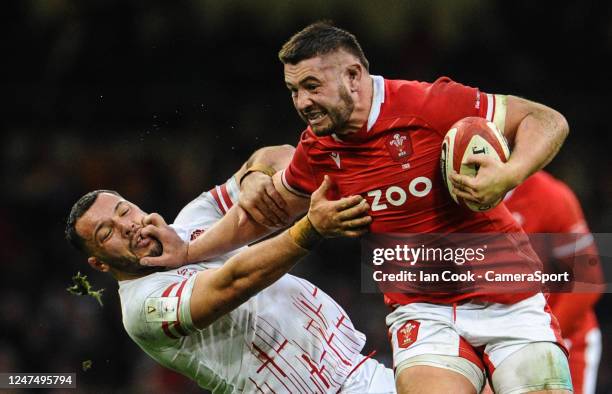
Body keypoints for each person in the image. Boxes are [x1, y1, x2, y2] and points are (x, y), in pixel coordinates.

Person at [143, 23, 572, 394]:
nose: (302, 102)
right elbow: (263, 214)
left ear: (353, 76)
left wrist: (510, 174)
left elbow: (546, 119)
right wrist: (186, 250)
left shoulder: (428, 105)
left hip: (509, 298)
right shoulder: (318, 149)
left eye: (312, 86)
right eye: (294, 90)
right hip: (423, 311)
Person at [65, 145, 397, 394]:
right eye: (106, 232)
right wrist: (311, 228)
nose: (126, 226)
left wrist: (254, 177)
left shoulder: (193, 220)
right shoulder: (143, 308)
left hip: (362, 371)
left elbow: (282, 157)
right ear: (99, 262)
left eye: (125, 210)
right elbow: (233, 283)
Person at [504, 171, 603, 394]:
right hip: (494, 337)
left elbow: (589, 281)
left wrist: (545, 341)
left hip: (563, 336)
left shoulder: (549, 195)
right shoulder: (448, 196)